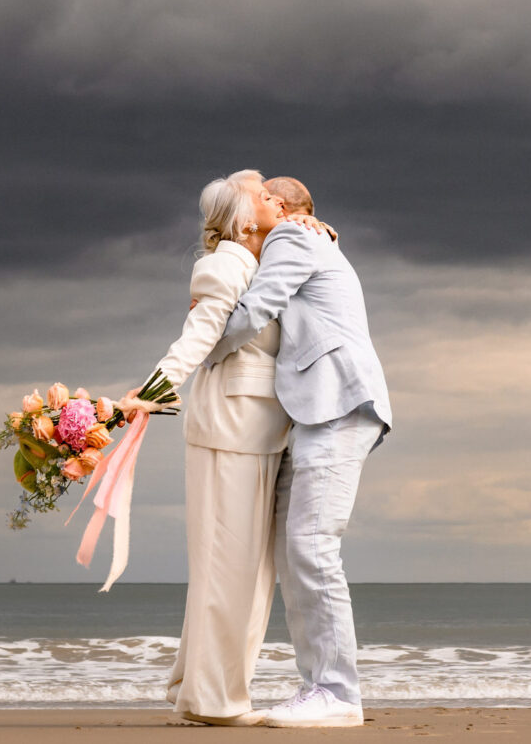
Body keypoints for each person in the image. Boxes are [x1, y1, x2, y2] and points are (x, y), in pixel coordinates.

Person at [212, 175, 391, 728]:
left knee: (312, 548)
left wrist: (201, 345)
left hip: (336, 403)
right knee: (294, 555)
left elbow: (259, 306)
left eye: (261, 196)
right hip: (316, 411)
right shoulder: (306, 236)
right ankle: (317, 687)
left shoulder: (293, 236)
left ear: (283, 206)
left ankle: (337, 694)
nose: (252, 202)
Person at [135, 170, 295, 726]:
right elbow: (199, 336)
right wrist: (152, 392)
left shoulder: (258, 260)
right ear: (244, 217)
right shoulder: (225, 264)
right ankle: (214, 700)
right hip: (231, 427)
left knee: (247, 571)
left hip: (256, 429)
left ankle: (200, 689)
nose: (273, 198)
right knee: (229, 568)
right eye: (261, 193)